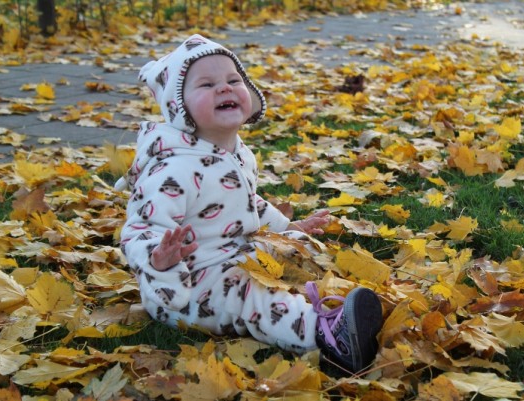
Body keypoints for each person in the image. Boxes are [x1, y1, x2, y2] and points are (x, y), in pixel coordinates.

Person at [116, 34, 383, 374]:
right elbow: (141, 227)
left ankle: (341, 302)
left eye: (233, 80)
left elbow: (247, 204)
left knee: (296, 248)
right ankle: (330, 339)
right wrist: (160, 258)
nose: (224, 88)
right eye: (207, 84)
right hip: (191, 286)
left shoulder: (236, 152)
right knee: (251, 295)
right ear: (179, 107)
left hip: (234, 253)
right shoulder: (173, 169)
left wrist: (288, 228)